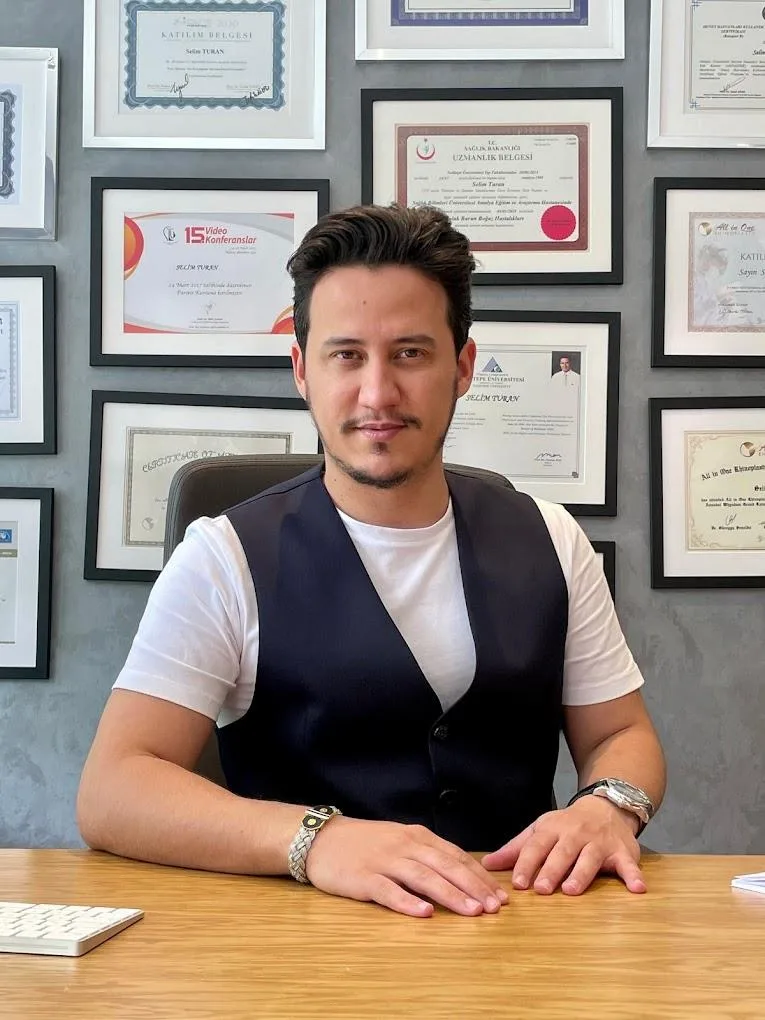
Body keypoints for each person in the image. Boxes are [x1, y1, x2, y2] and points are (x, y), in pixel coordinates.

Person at [77, 204, 666, 919]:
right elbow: (114, 789)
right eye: (346, 355)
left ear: (462, 367)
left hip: (516, 928)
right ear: (302, 370)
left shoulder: (552, 538)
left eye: (410, 353)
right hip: (296, 939)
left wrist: (608, 806)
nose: (378, 393)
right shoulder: (222, 558)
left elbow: (621, 734)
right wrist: (317, 840)